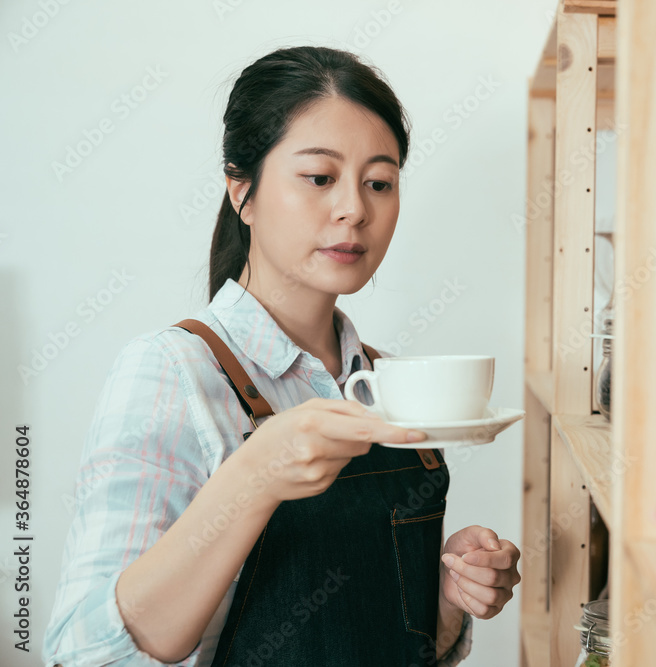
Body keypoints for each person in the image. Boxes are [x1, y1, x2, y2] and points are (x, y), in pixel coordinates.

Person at [43, 46, 521, 666]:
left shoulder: (388, 380)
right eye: (320, 178)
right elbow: (84, 653)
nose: (355, 207)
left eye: (380, 182)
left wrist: (449, 597)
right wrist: (252, 478)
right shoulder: (173, 372)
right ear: (242, 192)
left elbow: (397, 643)